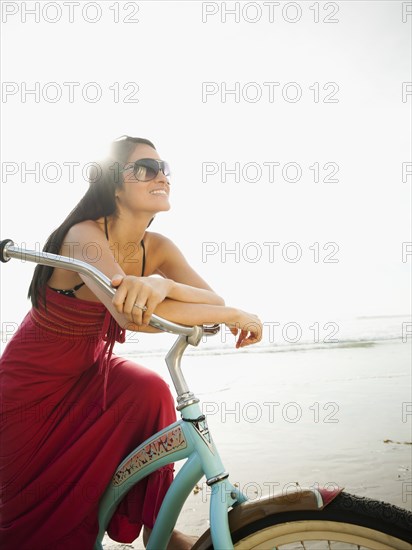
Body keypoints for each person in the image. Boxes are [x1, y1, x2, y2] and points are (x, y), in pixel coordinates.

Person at [0, 135, 263, 549]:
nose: (161, 176)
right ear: (115, 185)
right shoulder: (83, 236)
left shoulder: (157, 248)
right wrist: (226, 315)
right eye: (145, 168)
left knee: (151, 391)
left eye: (164, 169)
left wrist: (160, 282)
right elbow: (132, 314)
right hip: (31, 389)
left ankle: (157, 527)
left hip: (89, 373)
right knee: (42, 526)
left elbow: (212, 300)